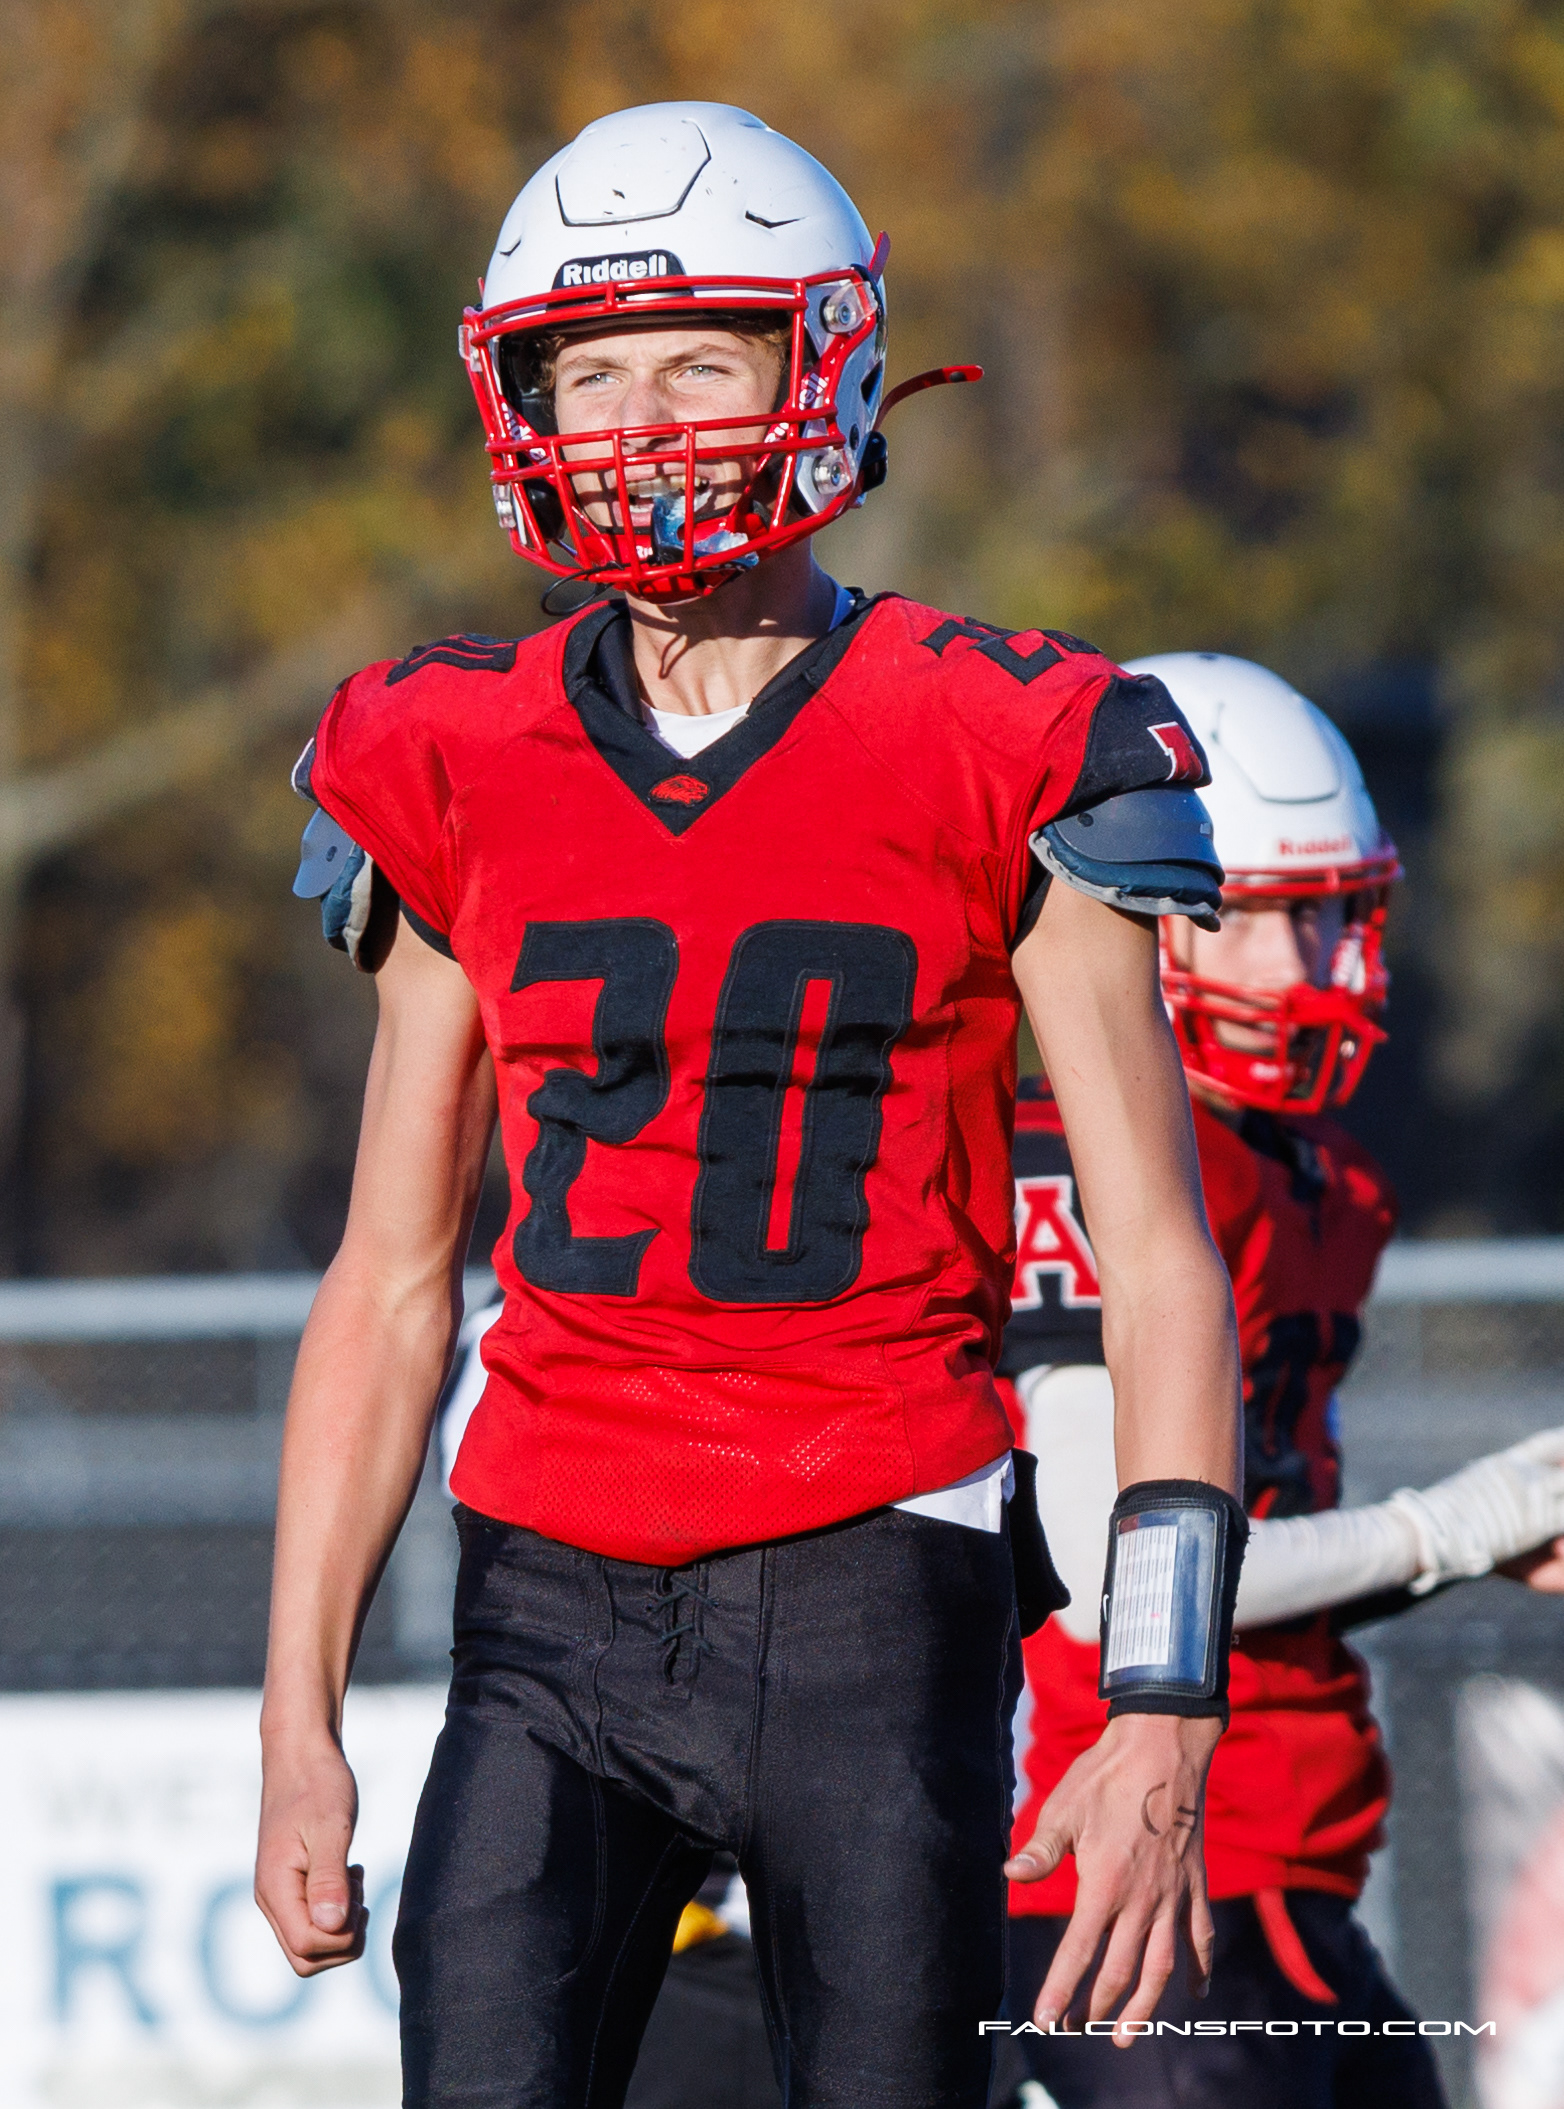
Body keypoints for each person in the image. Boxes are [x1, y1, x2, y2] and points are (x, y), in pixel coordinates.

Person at [254, 102, 1249, 2109]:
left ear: (825, 366)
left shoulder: (999, 730)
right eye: (590, 373)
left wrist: (1164, 1700)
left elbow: (1158, 1261)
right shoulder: (449, 748)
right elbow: (390, 1276)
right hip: (547, 1581)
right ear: (521, 398)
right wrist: (297, 1712)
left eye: (698, 360)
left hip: (877, 1570)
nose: (638, 422)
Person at [992, 651, 1564, 2109]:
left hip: (1283, 1880)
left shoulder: (1316, 1178)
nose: (1305, 968)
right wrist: (1456, 1525)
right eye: (1254, 918)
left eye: (1327, 917)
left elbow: (1264, 1529)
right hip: (1122, 1873)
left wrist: (1471, 1547)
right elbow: (1117, 1579)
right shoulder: (1090, 1159)